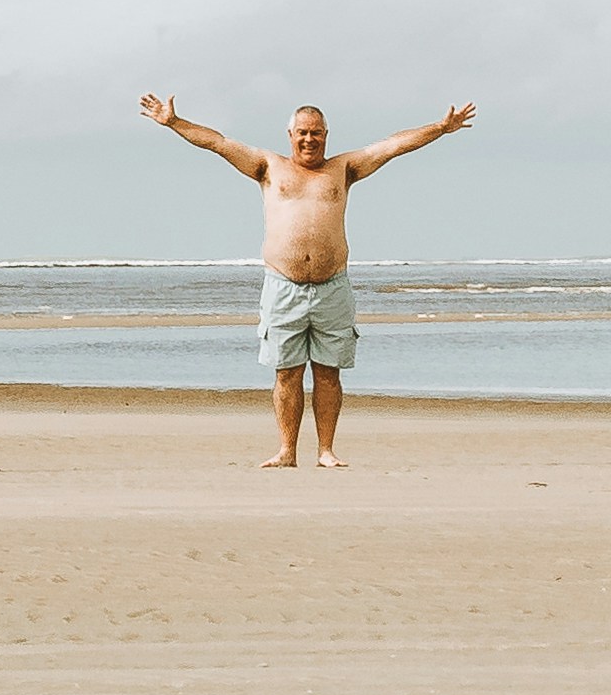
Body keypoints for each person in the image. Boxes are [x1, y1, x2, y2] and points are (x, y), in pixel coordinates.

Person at [137, 86, 475, 469]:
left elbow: (392, 146)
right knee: (287, 374)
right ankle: (287, 451)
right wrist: (174, 122)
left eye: (316, 132)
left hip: (333, 286)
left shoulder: (343, 169)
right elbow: (218, 142)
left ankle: (326, 451)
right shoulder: (268, 166)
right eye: (303, 132)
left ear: (326, 135)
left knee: (328, 374)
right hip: (283, 286)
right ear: (291, 135)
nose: (309, 139)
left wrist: (440, 128)